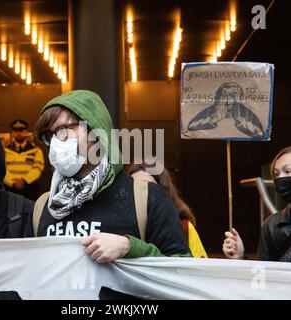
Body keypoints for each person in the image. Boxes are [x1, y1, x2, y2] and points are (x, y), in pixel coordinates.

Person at [29, 90, 191, 263]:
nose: (56, 142)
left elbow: (183, 266)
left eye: (63, 129)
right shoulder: (44, 206)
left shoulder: (146, 197)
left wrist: (130, 247)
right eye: (49, 135)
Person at [223, 144, 291, 264]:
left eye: (288, 171)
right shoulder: (272, 224)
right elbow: (263, 275)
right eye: (277, 174)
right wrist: (240, 258)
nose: (280, 178)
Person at [127, 163, 208, 258]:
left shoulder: (184, 228)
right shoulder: (118, 227)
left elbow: (198, 269)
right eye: (134, 188)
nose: (140, 194)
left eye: (149, 188)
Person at [4, 119, 45, 201]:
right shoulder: (4, 150)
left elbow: (37, 168)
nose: (19, 133)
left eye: (21, 130)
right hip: (10, 190)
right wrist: (12, 182)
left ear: (26, 132)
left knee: (30, 213)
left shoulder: (36, 150)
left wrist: (24, 180)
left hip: (30, 189)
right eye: (15, 130)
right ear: (12, 133)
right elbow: (2, 168)